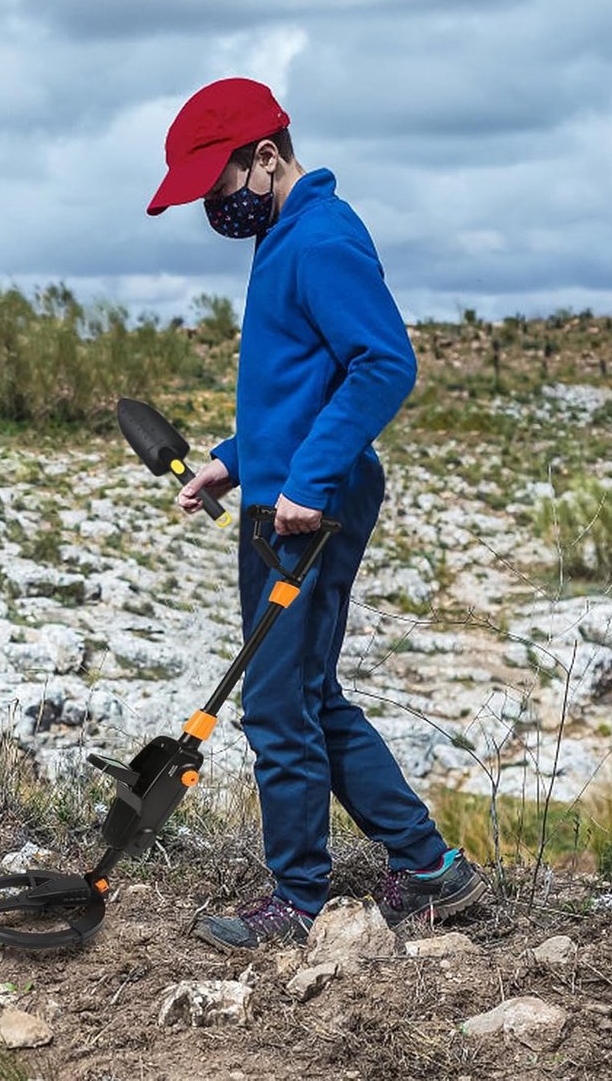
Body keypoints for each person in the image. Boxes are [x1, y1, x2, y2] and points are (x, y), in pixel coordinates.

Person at [146, 77, 486, 949]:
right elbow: (300, 385)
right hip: (281, 493)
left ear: (266, 157)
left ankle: (297, 903)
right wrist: (235, 459)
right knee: (301, 691)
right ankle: (429, 867)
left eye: (217, 189)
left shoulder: (324, 237)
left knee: (275, 704)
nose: (214, 209)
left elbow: (383, 364)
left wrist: (307, 478)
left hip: (311, 509)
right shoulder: (283, 234)